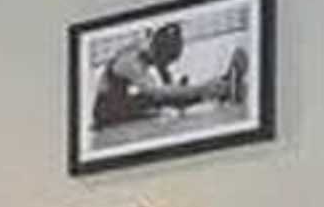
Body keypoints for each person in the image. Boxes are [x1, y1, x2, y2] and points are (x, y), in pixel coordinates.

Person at [91, 18, 248, 134]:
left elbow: (164, 73)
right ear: (159, 52)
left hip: (121, 101)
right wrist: (196, 90)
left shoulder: (151, 47)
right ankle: (220, 89)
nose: (166, 64)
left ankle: (220, 87)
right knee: (162, 98)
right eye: (166, 60)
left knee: (173, 94)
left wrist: (178, 88)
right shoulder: (131, 62)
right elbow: (158, 93)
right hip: (107, 113)